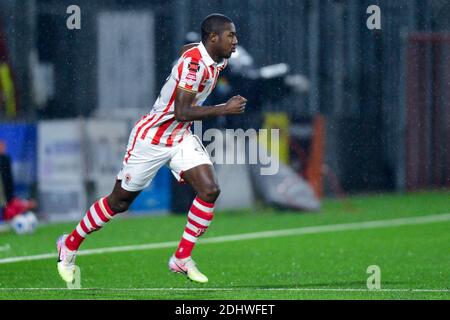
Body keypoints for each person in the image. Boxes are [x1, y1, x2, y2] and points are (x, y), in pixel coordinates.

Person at [57, 13, 246, 284]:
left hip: (180, 137)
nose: (235, 41)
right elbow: (182, 111)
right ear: (213, 37)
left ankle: (181, 258)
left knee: (210, 189)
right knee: (118, 202)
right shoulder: (194, 65)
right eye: (231, 35)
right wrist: (223, 108)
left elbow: (187, 52)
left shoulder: (216, 58)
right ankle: (70, 244)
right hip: (152, 137)